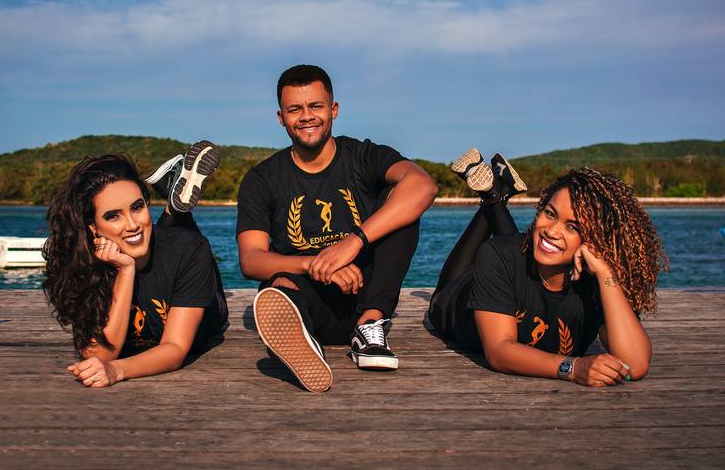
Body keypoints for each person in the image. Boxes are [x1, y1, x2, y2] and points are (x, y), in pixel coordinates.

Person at [237, 64, 437, 392]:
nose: (306, 116)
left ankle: (370, 329)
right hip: (309, 298)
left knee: (401, 203)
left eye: (315, 106)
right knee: (279, 283)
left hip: (365, 293)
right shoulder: (262, 179)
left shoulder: (363, 156)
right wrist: (317, 265)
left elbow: (423, 185)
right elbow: (251, 259)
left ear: (333, 110)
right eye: (294, 109)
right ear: (280, 117)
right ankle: (302, 342)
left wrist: (353, 243)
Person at [429, 149, 667, 386]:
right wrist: (574, 367)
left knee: (528, 248)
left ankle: (495, 195)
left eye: (573, 227)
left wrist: (606, 274)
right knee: (506, 253)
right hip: (455, 300)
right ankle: (493, 199)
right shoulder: (497, 256)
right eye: (550, 213)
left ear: (597, 241)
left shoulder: (596, 284)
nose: (552, 230)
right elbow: (499, 351)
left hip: (517, 267)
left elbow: (634, 364)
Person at [43, 141, 228, 387]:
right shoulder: (82, 264)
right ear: (92, 227)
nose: (131, 222)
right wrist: (125, 270)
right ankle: (173, 201)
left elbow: (175, 348)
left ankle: (176, 210)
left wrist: (116, 371)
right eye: (113, 215)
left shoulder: (190, 249)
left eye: (138, 207)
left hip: (207, 317)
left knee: (175, 241)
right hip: (150, 250)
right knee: (152, 236)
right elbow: (98, 355)